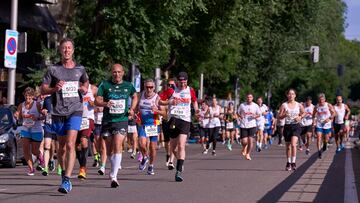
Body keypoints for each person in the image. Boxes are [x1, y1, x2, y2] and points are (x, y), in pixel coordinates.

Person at [41, 38, 89, 194]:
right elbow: (43, 89)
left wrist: (83, 89)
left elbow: (86, 83)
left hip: (75, 110)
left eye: (69, 48)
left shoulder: (80, 69)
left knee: (70, 144)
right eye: (64, 48)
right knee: (61, 148)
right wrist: (55, 88)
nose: (67, 50)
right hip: (57, 111)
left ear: (73, 50)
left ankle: (67, 180)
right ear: (60, 50)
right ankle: (63, 175)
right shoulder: (53, 69)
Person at [95, 63, 138, 188]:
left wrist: (132, 108)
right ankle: (112, 167)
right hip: (108, 120)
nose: (117, 74)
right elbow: (97, 100)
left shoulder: (128, 85)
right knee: (108, 150)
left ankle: (114, 176)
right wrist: (105, 103)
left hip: (122, 119)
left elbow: (135, 96)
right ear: (111, 73)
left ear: (123, 73)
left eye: (119, 72)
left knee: (118, 144)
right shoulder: (105, 84)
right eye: (114, 72)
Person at [159, 72, 199, 182]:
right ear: (177, 81)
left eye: (184, 82)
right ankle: (179, 160)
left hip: (185, 120)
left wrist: (196, 111)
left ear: (187, 81)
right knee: (173, 147)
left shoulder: (190, 90)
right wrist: (170, 101)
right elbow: (160, 101)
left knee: (181, 145)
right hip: (173, 119)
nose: (182, 84)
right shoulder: (171, 90)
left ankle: (179, 170)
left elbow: (194, 101)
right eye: (180, 82)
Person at [137, 79, 166, 175]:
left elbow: (165, 113)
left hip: (153, 124)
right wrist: (134, 113)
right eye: (147, 87)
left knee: (152, 147)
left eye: (151, 87)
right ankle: (145, 157)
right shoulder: (140, 95)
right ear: (144, 87)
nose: (149, 89)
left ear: (154, 88)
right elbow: (136, 107)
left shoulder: (157, 98)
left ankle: (151, 166)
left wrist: (157, 111)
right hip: (143, 124)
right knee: (141, 143)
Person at [14, 87, 44, 176]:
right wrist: (16, 115)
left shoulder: (37, 105)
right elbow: (17, 115)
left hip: (36, 129)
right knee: (26, 150)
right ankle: (31, 168)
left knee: (35, 151)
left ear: (33, 97)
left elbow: (44, 117)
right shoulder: (21, 105)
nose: (28, 99)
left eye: (29, 97)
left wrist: (37, 118)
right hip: (25, 129)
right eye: (26, 97)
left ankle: (40, 157)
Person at [278, 89, 305, 171]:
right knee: (288, 146)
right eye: (289, 94)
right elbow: (279, 116)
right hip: (287, 126)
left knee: (293, 144)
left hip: (296, 126)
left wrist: (300, 117)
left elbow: (304, 113)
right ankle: (288, 162)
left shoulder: (298, 105)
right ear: (287, 95)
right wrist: (284, 115)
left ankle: (293, 162)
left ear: (295, 95)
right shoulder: (284, 105)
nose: (291, 95)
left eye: (292, 94)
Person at [76, 83, 97, 180]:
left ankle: (82, 168)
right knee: (77, 146)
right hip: (76, 118)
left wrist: (95, 104)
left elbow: (100, 99)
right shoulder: (74, 88)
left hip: (88, 118)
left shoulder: (93, 89)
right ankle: (82, 166)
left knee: (84, 142)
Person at [237, 93, 261, 160]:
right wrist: (240, 116)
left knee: (251, 140)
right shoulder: (242, 105)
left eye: (250, 97)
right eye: (248, 97)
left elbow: (259, 114)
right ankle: (244, 147)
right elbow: (237, 113)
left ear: (252, 98)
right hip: (243, 125)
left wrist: (255, 116)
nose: (249, 98)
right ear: (246, 98)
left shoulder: (255, 106)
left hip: (252, 125)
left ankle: (248, 154)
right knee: (244, 141)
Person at [159, 78, 176, 170]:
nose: (170, 87)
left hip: (175, 119)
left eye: (172, 85)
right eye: (169, 85)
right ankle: (168, 154)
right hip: (165, 120)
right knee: (167, 142)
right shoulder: (163, 94)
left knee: (173, 140)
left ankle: (171, 161)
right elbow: (161, 106)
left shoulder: (178, 94)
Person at [313, 93, 335, 159]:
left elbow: (334, 113)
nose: (321, 101)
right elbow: (313, 114)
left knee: (326, 138)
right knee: (319, 137)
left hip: (327, 124)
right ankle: (319, 151)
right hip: (319, 123)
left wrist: (329, 118)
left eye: (322, 100)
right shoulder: (316, 106)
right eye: (319, 100)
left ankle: (325, 144)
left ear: (324, 99)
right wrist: (314, 121)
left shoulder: (328, 105)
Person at [41, 94, 57, 176]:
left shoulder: (61, 98)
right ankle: (46, 168)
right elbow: (43, 109)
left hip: (58, 125)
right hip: (48, 125)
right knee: (46, 146)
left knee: (59, 148)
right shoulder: (47, 99)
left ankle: (60, 167)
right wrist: (43, 111)